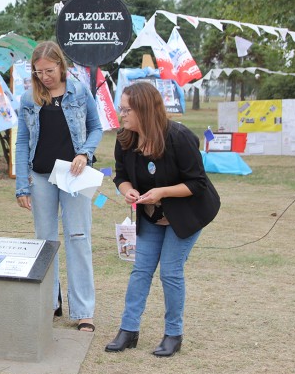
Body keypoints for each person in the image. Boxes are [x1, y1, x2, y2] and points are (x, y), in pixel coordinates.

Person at [105, 81, 220, 357]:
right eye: (121, 109)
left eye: (127, 110)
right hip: (151, 216)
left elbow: (197, 184)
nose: (122, 115)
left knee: (170, 273)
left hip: (186, 214)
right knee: (141, 271)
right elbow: (121, 176)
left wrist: (162, 193)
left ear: (144, 110)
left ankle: (173, 334)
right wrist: (128, 191)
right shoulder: (125, 139)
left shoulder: (179, 137)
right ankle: (128, 330)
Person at [15, 41, 103, 332]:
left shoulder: (80, 91)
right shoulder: (29, 98)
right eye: (38, 72)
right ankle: (49, 304)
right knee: (45, 242)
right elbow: (24, 140)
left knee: (78, 238)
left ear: (61, 66)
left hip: (74, 175)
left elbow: (96, 127)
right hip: (40, 176)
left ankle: (83, 311)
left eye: (49, 70)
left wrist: (84, 153)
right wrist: (21, 185)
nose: (45, 77)